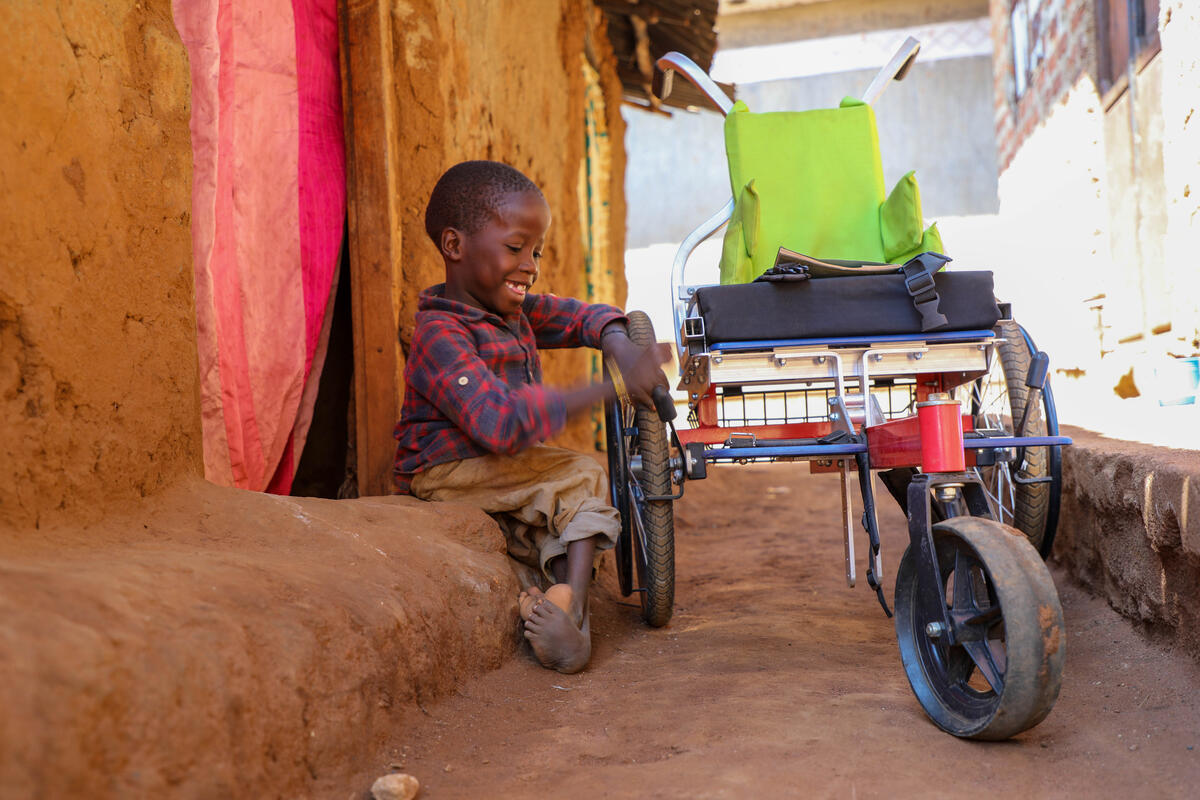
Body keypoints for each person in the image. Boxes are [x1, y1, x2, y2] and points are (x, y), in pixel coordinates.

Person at [393, 160, 669, 673]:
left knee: (548, 530)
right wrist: (607, 386)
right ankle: (579, 615)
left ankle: (558, 601)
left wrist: (616, 341)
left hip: (498, 471)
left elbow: (580, 316)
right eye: (515, 248)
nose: (530, 265)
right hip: (447, 471)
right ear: (454, 247)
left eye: (536, 252)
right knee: (581, 474)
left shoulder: (511, 311)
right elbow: (499, 425)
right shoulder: (440, 334)